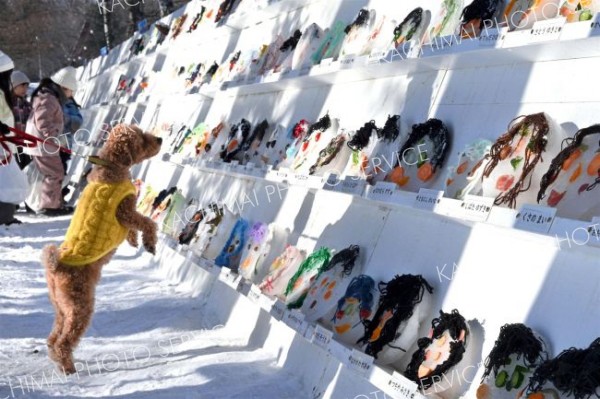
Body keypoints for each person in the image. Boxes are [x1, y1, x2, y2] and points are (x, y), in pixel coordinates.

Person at [24, 67, 76, 216]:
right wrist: (54, 137)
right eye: (71, 91)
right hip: (43, 144)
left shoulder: (49, 96)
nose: (71, 95)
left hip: (43, 143)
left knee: (53, 172)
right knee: (55, 173)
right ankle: (50, 206)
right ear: (64, 87)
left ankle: (54, 203)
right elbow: (43, 121)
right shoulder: (49, 99)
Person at [0, 50, 29, 225]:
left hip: (6, 146)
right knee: (8, 183)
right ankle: (3, 217)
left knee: (9, 181)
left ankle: (5, 216)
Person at [11, 70, 32, 169]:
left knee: (26, 174)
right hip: (12, 148)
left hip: (27, 147)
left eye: (27, 86)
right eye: (22, 85)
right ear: (13, 86)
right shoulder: (7, 104)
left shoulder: (28, 105)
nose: (25, 88)